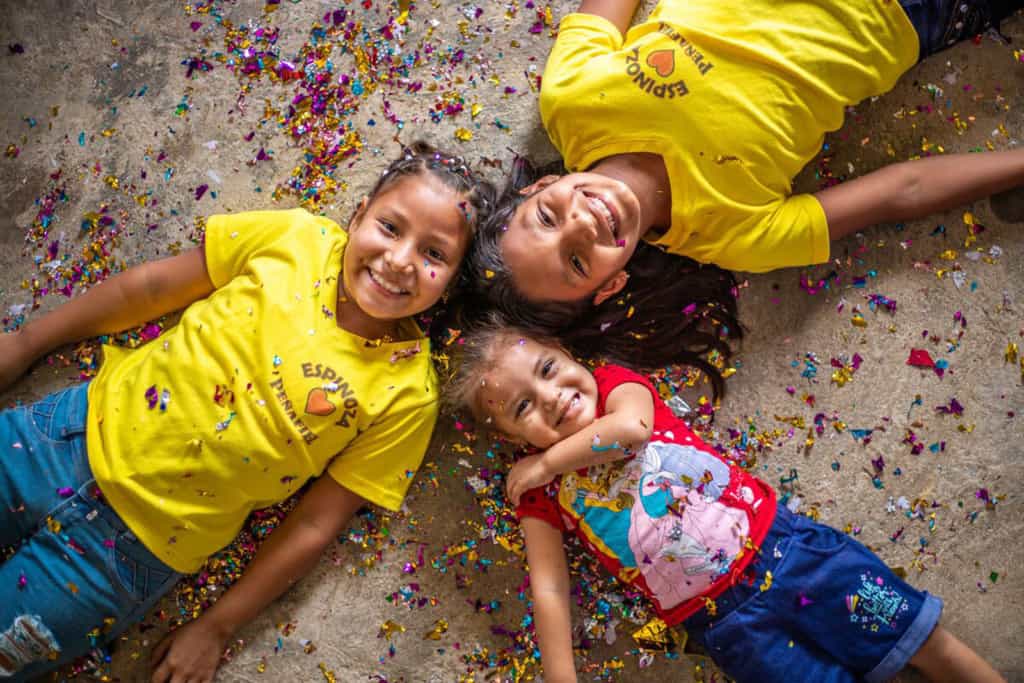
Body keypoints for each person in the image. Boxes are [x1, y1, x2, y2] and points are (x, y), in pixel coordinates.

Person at [0, 143, 493, 683]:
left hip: (122, 557)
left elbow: (314, 522)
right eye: (391, 227)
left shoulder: (409, 394)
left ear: (450, 283)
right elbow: (152, 288)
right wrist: (27, 343)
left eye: (434, 255)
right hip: (59, 440)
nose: (400, 260)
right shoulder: (296, 239)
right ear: (358, 214)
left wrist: (217, 627)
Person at [466, 0, 1024, 365]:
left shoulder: (570, 98)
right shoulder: (733, 237)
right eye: (578, 263)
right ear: (610, 286)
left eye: (547, 218)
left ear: (536, 189)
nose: (582, 225)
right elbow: (903, 189)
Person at [445, 321, 1007, 683]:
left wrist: (546, 460)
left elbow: (633, 432)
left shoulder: (617, 387)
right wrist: (560, 676)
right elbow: (548, 585)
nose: (554, 397)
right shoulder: (540, 498)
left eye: (548, 370)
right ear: (509, 440)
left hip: (790, 554)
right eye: (523, 408)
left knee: (923, 642)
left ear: (565, 351)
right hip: (730, 627)